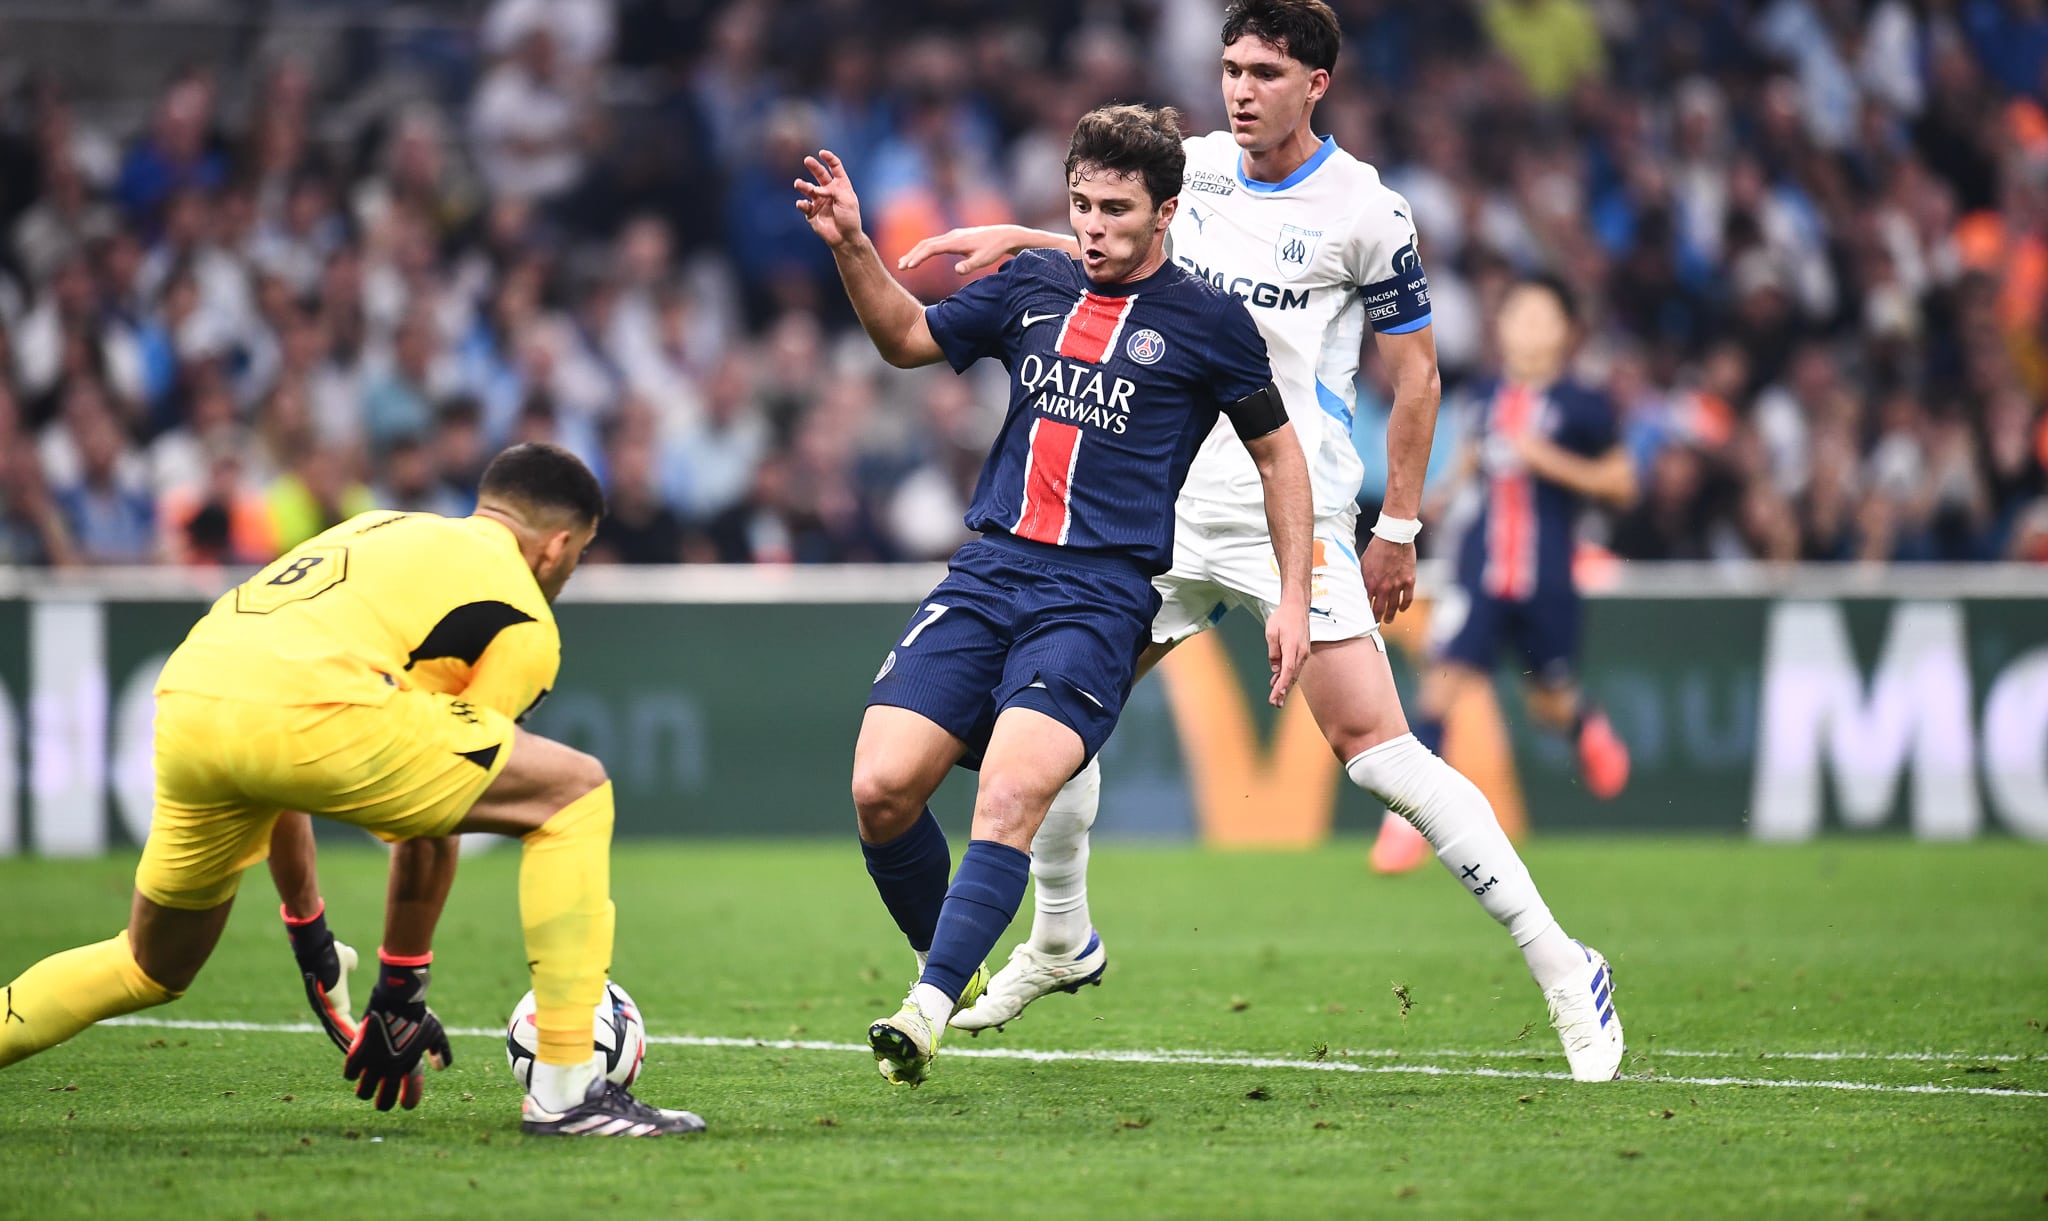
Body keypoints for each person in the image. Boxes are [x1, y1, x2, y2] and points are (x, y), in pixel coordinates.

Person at [900, 0, 1626, 1081]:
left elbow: (1416, 375)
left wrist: (1399, 525)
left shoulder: (1366, 213)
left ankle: (1565, 965)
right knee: (1045, 708)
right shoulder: (1186, 169)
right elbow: (1108, 234)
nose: (1238, 91)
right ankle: (1059, 937)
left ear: (1315, 84)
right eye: (1231, 70)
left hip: (1290, 513)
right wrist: (1017, 236)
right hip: (1156, 510)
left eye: (1264, 75)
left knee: (1377, 756)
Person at [795, 103, 1315, 1086]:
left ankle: (925, 1008)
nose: (1091, 226)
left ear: (1164, 213)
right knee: (879, 789)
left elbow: (1279, 457)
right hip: (988, 572)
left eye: (1114, 209)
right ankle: (942, 962)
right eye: (1078, 204)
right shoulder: (1028, 282)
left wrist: (1293, 593)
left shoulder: (1207, 322)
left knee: (1010, 793)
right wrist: (853, 245)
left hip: (1098, 596)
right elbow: (906, 337)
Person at [0, 444, 706, 1138]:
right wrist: (400, 993)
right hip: (309, 709)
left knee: (147, 963)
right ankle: (567, 1091)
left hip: (192, 691)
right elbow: (438, 815)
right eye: (578, 556)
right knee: (574, 792)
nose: (569, 571)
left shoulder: (379, 529)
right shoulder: (522, 613)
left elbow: (270, 760)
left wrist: (312, 940)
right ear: (555, 547)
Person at [1375, 277, 1637, 869]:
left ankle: (1583, 723)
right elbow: (1473, 455)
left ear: (1567, 333)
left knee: (1549, 702)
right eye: (1518, 316)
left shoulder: (1584, 406)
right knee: (1441, 687)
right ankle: (1403, 823)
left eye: (1542, 318)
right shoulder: (1485, 396)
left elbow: (1622, 483)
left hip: (1548, 578)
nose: (1527, 329)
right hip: (1481, 573)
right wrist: (1440, 495)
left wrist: (1548, 460)